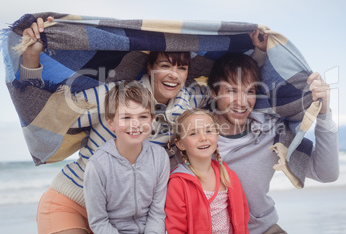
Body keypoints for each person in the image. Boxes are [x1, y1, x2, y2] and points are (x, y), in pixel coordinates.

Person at [20, 17, 267, 234]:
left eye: (181, 68)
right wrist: (32, 56)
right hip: (71, 201)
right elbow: (51, 114)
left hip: (123, 221)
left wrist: (258, 53)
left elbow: (228, 87)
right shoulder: (115, 96)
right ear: (150, 67)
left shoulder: (190, 97)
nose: (174, 74)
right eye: (166, 65)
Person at [207, 53, 339, 234]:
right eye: (231, 91)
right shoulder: (194, 137)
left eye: (250, 91)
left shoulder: (272, 133)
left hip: (263, 230)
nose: (242, 102)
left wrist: (324, 113)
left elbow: (326, 172)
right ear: (214, 93)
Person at [83, 81, 169, 233]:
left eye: (143, 116)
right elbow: (99, 222)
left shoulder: (160, 157)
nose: (135, 124)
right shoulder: (97, 166)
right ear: (111, 123)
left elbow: (157, 214)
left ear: (152, 119)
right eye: (126, 117)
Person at [165, 108, 249, 233]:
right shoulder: (178, 182)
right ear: (181, 144)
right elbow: (176, 228)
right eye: (193, 133)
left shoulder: (227, 174)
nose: (203, 138)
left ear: (217, 135)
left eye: (208, 131)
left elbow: (243, 216)